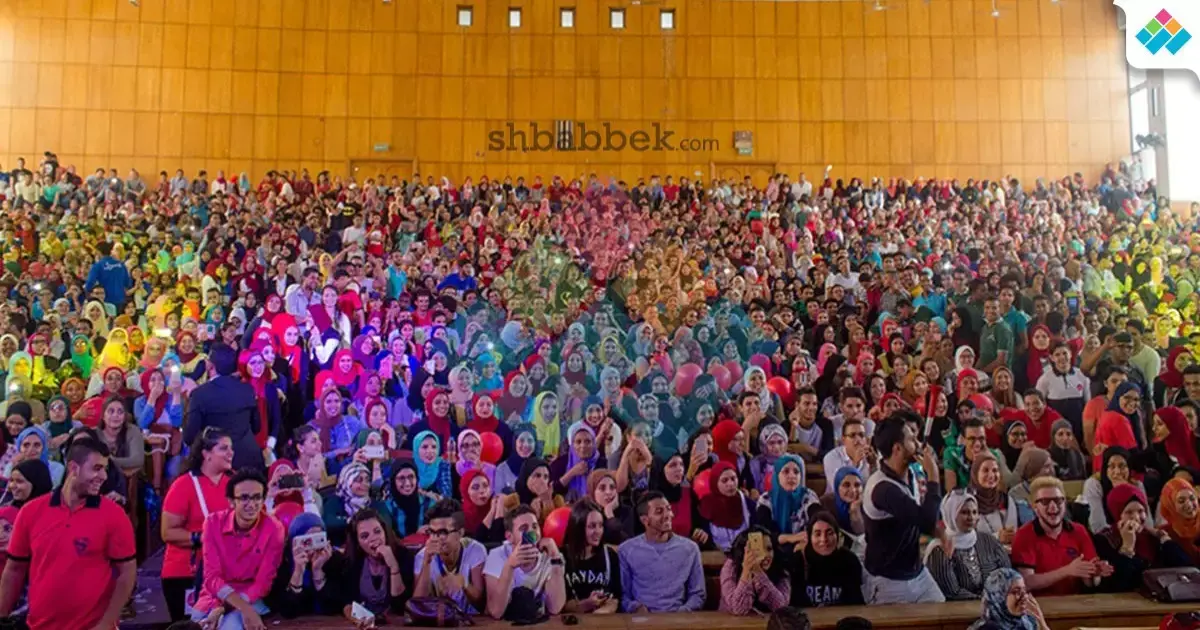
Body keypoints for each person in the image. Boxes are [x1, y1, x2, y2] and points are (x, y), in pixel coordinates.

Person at [0, 438, 137, 630]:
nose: (103, 476)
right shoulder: (31, 512)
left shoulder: (114, 515)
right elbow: (14, 570)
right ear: (73, 468)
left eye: (105, 469)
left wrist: (106, 624)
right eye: (97, 468)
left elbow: (127, 573)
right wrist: (1, 615)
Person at [862, 413, 944, 604]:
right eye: (912, 439)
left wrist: (941, 533)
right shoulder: (883, 488)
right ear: (897, 448)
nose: (918, 444)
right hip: (889, 581)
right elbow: (926, 521)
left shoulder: (908, 473)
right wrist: (933, 475)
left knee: (943, 612)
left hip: (916, 573)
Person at [189, 468, 285, 630]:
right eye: (244, 498)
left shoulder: (274, 528)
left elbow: (263, 583)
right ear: (231, 501)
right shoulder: (212, 523)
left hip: (251, 597)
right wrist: (222, 607)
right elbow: (212, 578)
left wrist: (232, 608)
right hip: (213, 598)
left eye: (257, 497)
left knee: (230, 626)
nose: (252, 504)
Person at [159, 428, 234, 622]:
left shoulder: (234, 483)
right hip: (186, 573)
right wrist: (203, 538)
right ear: (206, 454)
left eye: (231, 448)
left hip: (227, 573)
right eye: (224, 448)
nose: (231, 453)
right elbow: (167, 532)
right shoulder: (183, 485)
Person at [1011, 476, 1112, 596]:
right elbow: (1026, 582)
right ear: (1034, 507)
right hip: (1039, 603)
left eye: (1058, 500)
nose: (1053, 506)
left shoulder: (1078, 530)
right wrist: (1067, 571)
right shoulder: (1024, 535)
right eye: (1045, 502)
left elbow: (1090, 583)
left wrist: (1095, 573)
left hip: (1076, 601)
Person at [617, 490, 706, 613]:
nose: (668, 515)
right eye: (659, 511)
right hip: (642, 619)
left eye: (668, 509)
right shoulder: (627, 550)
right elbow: (623, 596)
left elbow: (698, 594)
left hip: (678, 617)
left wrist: (682, 612)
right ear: (645, 520)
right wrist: (635, 608)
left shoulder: (690, 549)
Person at [1093, 483, 1192, 592]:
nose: (1136, 517)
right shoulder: (1104, 540)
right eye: (1129, 512)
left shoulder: (1152, 538)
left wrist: (1164, 539)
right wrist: (1127, 547)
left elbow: (1187, 569)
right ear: (1116, 514)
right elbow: (1116, 585)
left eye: (1141, 511)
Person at [184, 344, 264, 470]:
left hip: (219, 464)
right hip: (250, 459)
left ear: (210, 365)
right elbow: (257, 427)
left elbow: (189, 437)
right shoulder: (247, 389)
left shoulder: (200, 394)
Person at [483, 504, 567, 620]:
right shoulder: (497, 556)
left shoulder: (552, 556)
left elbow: (555, 608)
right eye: (524, 529)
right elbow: (496, 611)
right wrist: (509, 566)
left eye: (535, 527)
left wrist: (555, 557)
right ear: (509, 536)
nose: (532, 533)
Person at [332, 509, 414, 624]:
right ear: (358, 542)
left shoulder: (403, 555)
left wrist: (394, 566)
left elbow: (401, 607)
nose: (373, 538)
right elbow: (347, 603)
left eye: (377, 531)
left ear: (385, 532)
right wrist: (356, 620)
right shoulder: (352, 562)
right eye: (365, 536)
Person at [924, 490, 1012, 600]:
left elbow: (1008, 574)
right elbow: (952, 592)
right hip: (959, 608)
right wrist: (984, 600)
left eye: (974, 512)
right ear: (951, 514)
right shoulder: (940, 548)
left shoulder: (989, 540)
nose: (971, 517)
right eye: (964, 512)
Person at [413, 498, 488, 614]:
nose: (436, 538)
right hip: (437, 620)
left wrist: (464, 584)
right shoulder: (423, 556)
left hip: (471, 619)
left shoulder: (475, 550)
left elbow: (480, 603)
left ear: (460, 533)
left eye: (443, 532)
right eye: (432, 532)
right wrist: (426, 563)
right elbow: (417, 606)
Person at [268, 512, 341, 618]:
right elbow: (287, 612)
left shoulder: (332, 558)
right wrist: (298, 571)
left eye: (318, 539)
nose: (313, 547)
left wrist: (317, 571)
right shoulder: (282, 562)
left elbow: (332, 607)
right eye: (308, 540)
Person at [790, 511, 865, 608]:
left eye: (829, 533)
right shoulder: (798, 561)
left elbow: (856, 603)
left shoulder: (849, 561)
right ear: (809, 537)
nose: (824, 539)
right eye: (817, 534)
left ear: (837, 535)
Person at [562, 499, 622, 614]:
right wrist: (587, 604)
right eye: (592, 526)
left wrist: (598, 615)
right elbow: (561, 605)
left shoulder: (610, 556)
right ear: (578, 527)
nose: (598, 531)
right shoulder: (562, 556)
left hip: (603, 619)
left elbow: (615, 599)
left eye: (600, 525)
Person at [719, 526, 790, 615]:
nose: (766, 555)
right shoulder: (731, 567)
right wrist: (746, 572)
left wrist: (758, 572)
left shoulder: (780, 569)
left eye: (769, 549)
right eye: (758, 549)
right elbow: (738, 609)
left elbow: (781, 607)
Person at [322, 461, 386, 547]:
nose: (365, 484)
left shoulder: (374, 503)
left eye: (367, 480)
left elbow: (385, 522)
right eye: (359, 480)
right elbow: (329, 523)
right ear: (347, 481)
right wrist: (354, 521)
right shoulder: (334, 502)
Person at [966, 568, 1050, 630]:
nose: (1024, 596)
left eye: (1024, 591)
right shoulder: (986, 628)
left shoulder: (1029, 623)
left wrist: (1043, 624)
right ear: (999, 597)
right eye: (1016, 592)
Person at [701, 461, 754, 551]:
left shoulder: (748, 504)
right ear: (715, 482)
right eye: (724, 480)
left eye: (733, 479)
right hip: (715, 556)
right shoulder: (706, 505)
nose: (731, 484)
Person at [822, 418, 874, 493]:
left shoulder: (870, 454)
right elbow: (840, 490)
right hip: (836, 499)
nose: (858, 439)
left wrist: (874, 465)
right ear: (843, 440)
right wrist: (855, 464)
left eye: (861, 435)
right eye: (852, 435)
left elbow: (875, 487)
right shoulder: (831, 458)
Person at [1160, 477, 1200, 564]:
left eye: (1192, 498)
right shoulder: (1165, 533)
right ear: (1170, 505)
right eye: (1181, 501)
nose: (1189, 505)